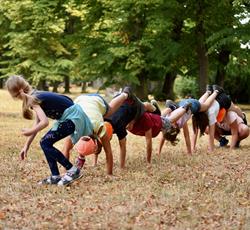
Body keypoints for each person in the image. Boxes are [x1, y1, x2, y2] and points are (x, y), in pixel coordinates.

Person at [5, 75, 93, 186]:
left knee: (45, 142)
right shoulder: (35, 95)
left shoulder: (33, 99)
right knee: (45, 142)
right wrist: (26, 145)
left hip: (73, 118)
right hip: (73, 116)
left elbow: (44, 122)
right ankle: (55, 176)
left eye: (17, 96)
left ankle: (72, 170)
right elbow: (37, 122)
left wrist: (29, 131)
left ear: (19, 93)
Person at [62, 91, 137, 174]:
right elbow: (108, 152)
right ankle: (81, 157)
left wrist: (65, 173)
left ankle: (125, 94)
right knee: (103, 114)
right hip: (80, 100)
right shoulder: (74, 127)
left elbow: (66, 150)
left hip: (94, 99)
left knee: (109, 112)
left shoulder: (99, 128)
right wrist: (109, 174)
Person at [158, 86, 222, 155]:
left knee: (206, 106)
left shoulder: (180, 123)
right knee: (200, 103)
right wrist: (159, 151)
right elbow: (164, 136)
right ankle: (208, 91)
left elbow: (186, 136)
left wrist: (189, 152)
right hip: (183, 103)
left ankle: (216, 92)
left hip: (192, 106)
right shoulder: (168, 121)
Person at [127, 102, 192, 164]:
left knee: (168, 120)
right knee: (165, 119)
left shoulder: (140, 116)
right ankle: (169, 108)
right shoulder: (135, 115)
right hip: (155, 119)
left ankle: (183, 108)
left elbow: (150, 142)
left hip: (156, 120)